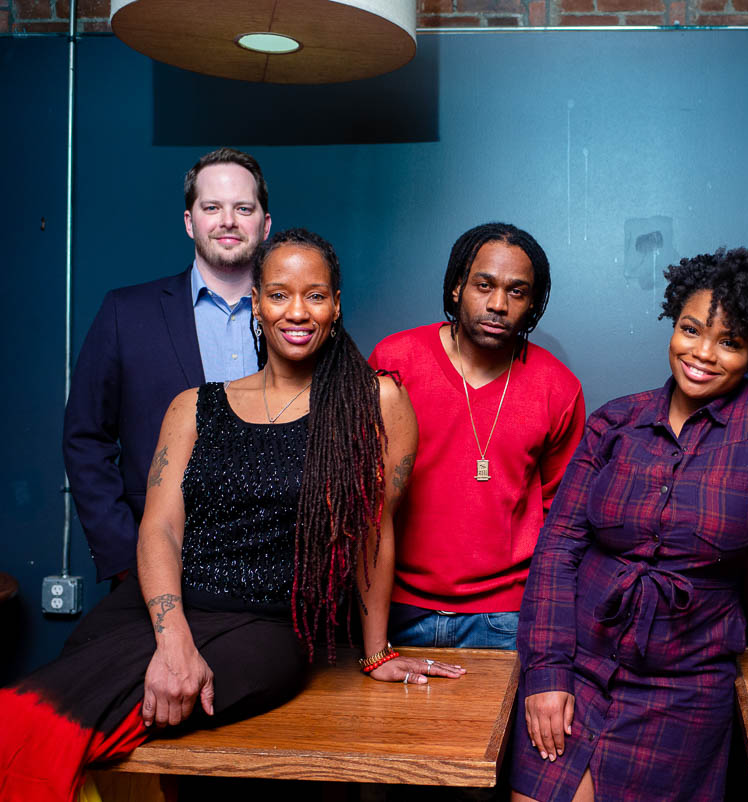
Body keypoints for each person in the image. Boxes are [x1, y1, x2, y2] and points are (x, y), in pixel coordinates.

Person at [0, 229, 464, 801]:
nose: (297, 311)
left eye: (315, 295)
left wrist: (376, 652)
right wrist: (173, 642)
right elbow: (161, 529)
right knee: (24, 716)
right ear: (255, 303)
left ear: (337, 304)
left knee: (100, 721)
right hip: (156, 610)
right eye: (279, 294)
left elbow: (373, 533)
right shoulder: (193, 406)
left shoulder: (377, 402)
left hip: (269, 629)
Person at [514, 249, 748, 802]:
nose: (703, 354)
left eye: (730, 342)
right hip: (581, 666)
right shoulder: (615, 421)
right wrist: (547, 672)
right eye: (691, 330)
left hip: (684, 685)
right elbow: (558, 549)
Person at [368, 223, 585, 650]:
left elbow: (564, 519)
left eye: (517, 292)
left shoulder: (557, 387)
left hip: (506, 616)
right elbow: (362, 495)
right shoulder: (395, 361)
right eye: (483, 285)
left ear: (533, 304)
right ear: (456, 289)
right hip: (395, 607)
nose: (498, 304)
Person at [64, 148, 273, 583]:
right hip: (155, 566)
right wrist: (125, 558)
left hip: (271, 570)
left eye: (243, 208)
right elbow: (85, 439)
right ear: (189, 221)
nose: (228, 220)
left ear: (265, 224)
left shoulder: (297, 320)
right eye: (211, 207)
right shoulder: (126, 313)